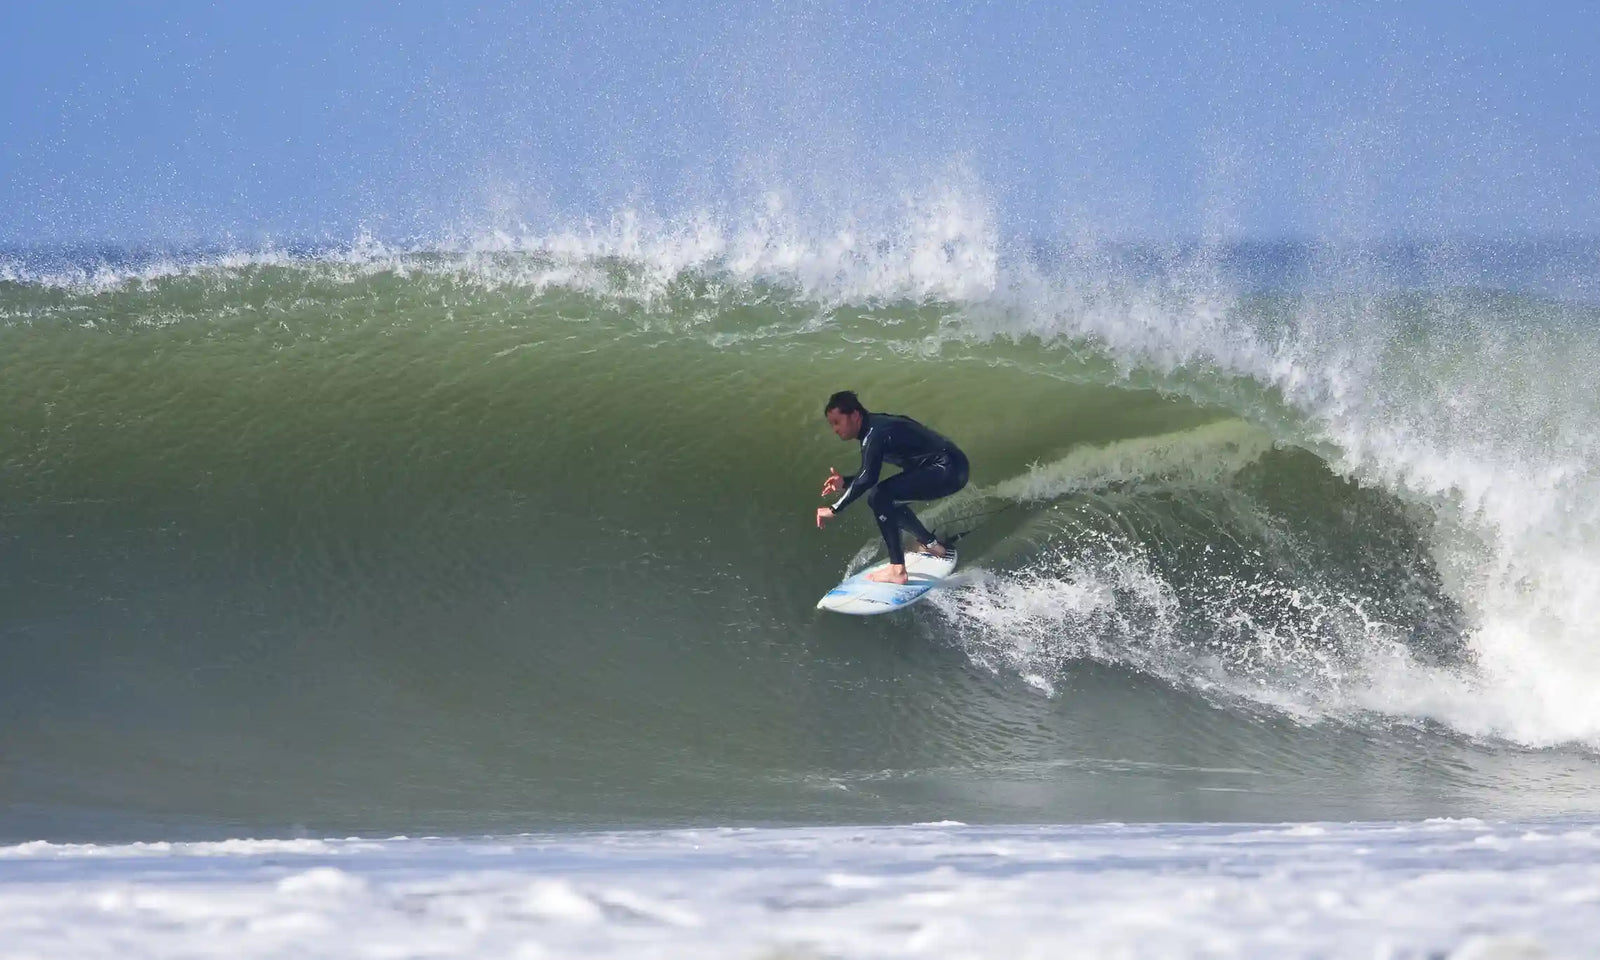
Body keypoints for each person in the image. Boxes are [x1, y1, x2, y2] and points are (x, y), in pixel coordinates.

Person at [815, 390, 970, 584]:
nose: (835, 429)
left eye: (837, 422)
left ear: (854, 415)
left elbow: (868, 479)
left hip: (947, 469)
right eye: (832, 424)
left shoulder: (875, 434)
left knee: (880, 496)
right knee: (886, 499)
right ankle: (932, 545)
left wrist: (834, 509)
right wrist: (845, 482)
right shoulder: (874, 428)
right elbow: (869, 474)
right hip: (951, 467)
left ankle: (897, 569)